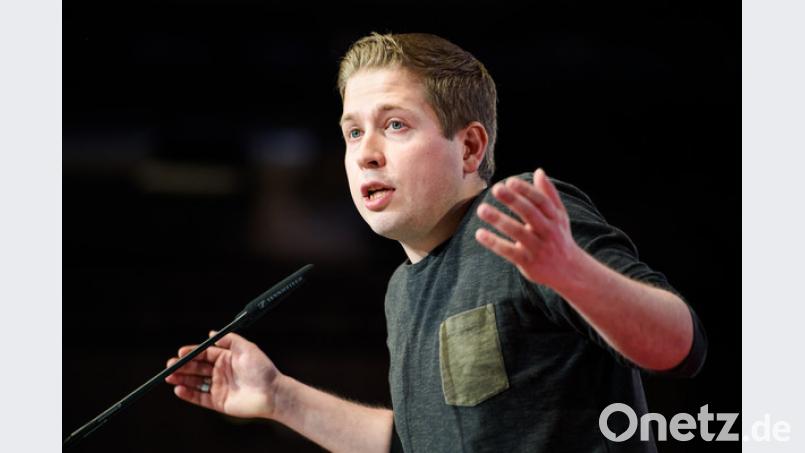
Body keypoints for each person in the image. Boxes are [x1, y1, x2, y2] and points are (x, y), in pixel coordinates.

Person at [165, 32, 706, 452]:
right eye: (353, 132)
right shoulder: (402, 290)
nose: (365, 154)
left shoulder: (514, 214)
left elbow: (679, 344)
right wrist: (280, 397)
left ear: (469, 148)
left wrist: (571, 270)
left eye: (395, 125)